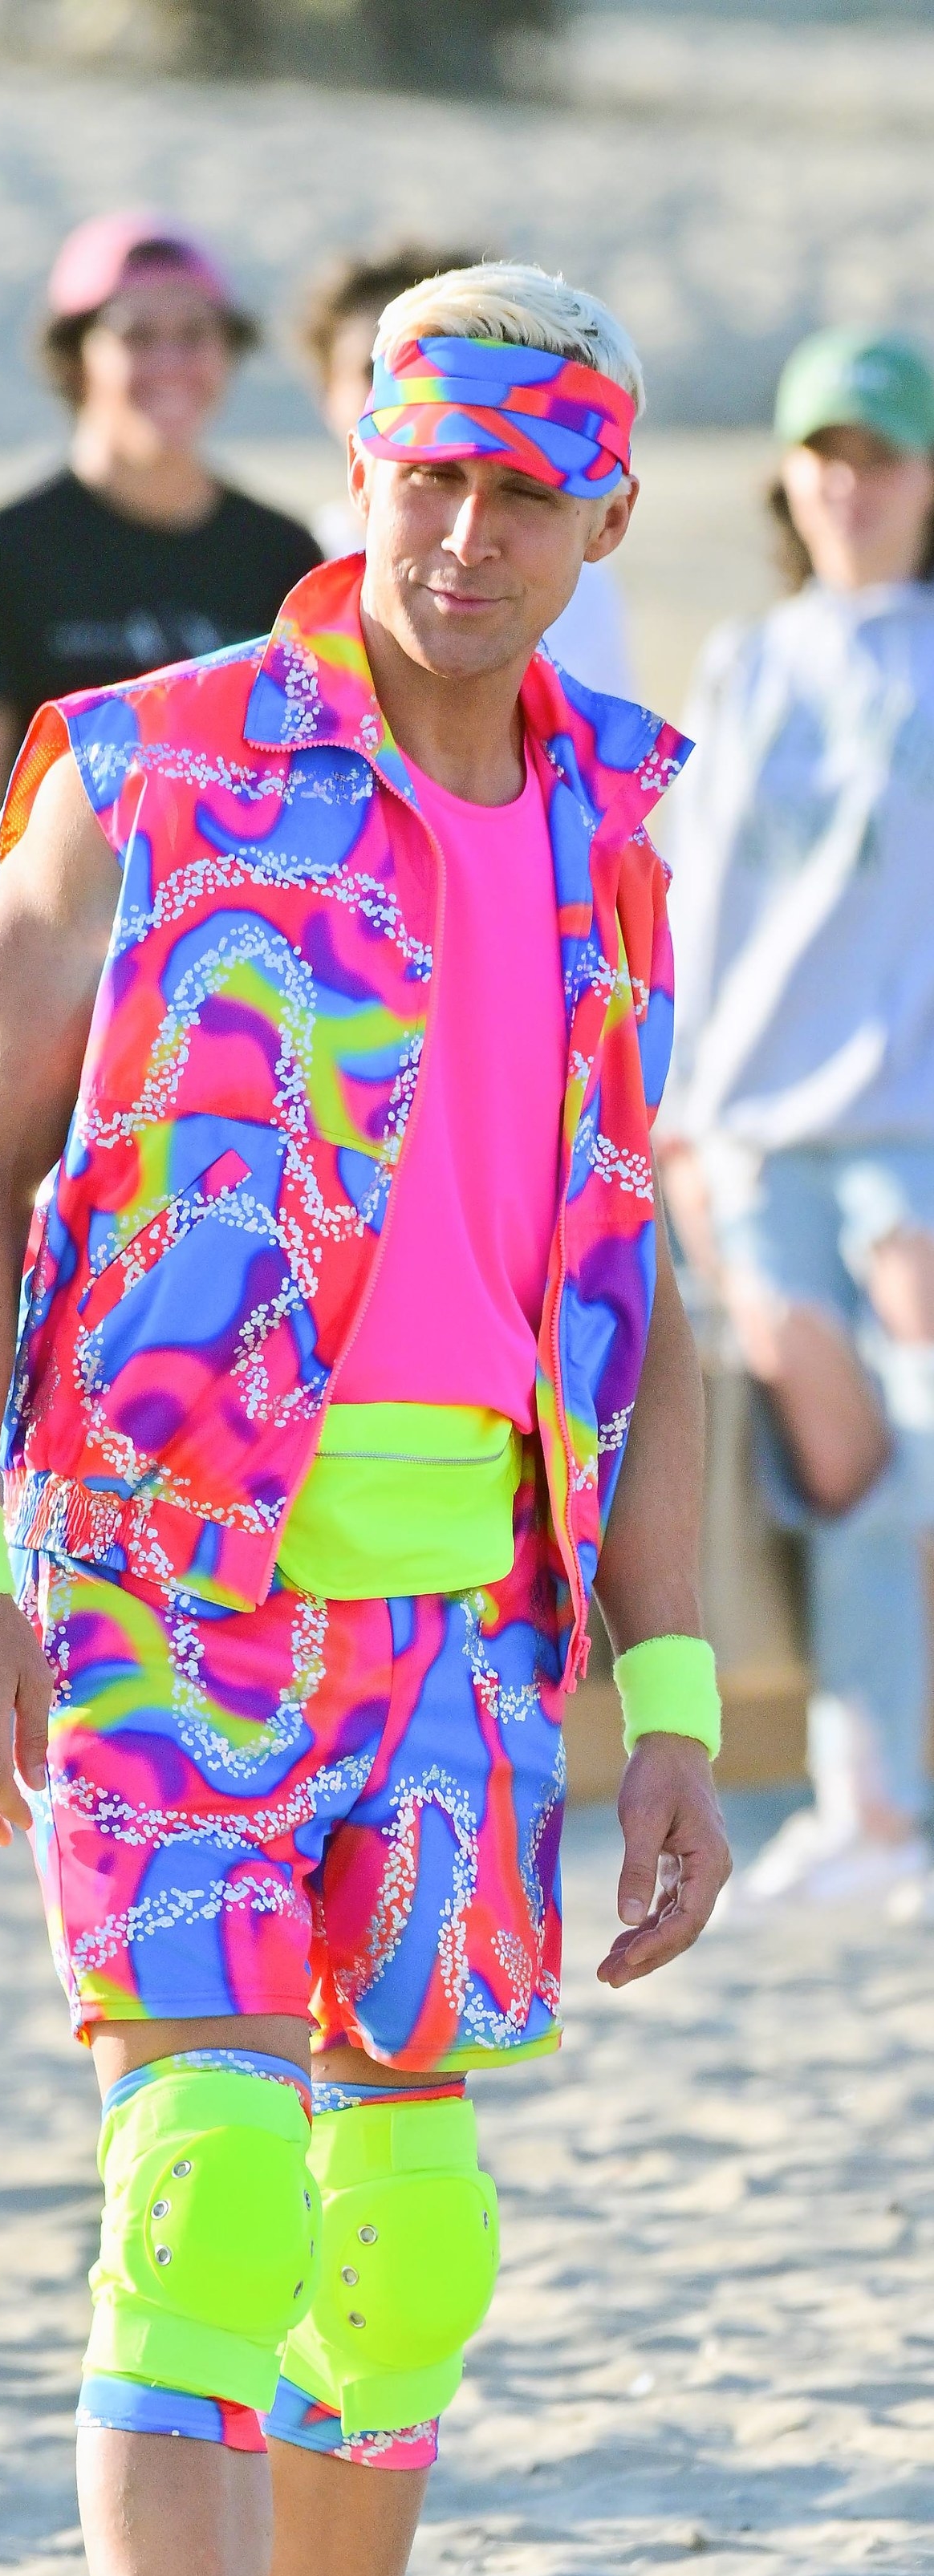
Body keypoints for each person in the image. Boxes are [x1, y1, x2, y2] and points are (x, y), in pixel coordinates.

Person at [0, 263, 728, 2576]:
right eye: (416, 476)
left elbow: (632, 1285)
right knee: (209, 2177)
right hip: (156, 1603)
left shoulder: (625, 823)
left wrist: (662, 1698)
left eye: (520, 494)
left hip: (474, 1649)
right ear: (347, 472)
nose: (455, 530)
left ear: (599, 525)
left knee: (407, 2230)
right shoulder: (147, 769)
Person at [656, 326, 934, 1917]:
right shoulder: (746, 664)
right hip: (753, 1130)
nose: (850, 484)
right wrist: (680, 1121)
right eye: (824, 452)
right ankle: (870, 1806)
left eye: (880, 453)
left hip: (910, 1129)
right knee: (842, 1473)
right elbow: (697, 906)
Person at [0, 215, 320, 938]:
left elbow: (315, 791)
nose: (170, 361)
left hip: (240, 957)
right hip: (62, 955)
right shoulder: (5, 551)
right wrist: (4, 972)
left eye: (196, 334)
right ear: (77, 357)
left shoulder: (285, 555)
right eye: (136, 336)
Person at [298, 241, 637, 700]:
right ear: (361, 476)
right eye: (434, 475)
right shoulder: (180, 750)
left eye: (528, 492)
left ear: (611, 522)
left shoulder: (607, 768)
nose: (468, 541)